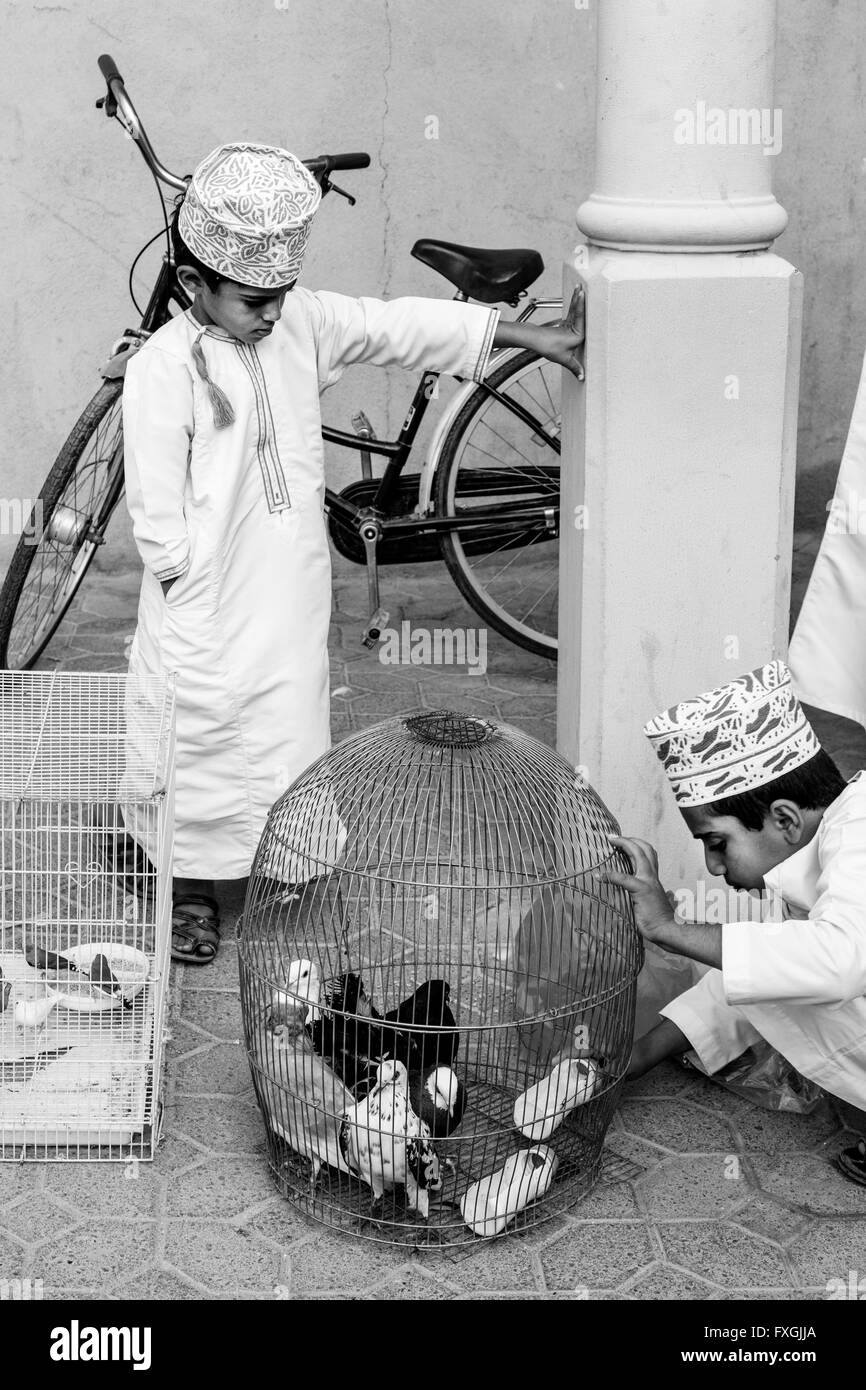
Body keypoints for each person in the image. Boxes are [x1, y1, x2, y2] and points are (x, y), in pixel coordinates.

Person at [122, 141, 585, 965]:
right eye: (253, 299)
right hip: (205, 594)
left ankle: (278, 862)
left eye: (281, 295)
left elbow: (394, 323)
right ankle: (187, 882)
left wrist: (530, 337)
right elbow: (156, 516)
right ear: (195, 285)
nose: (270, 313)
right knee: (191, 730)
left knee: (286, 720)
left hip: (289, 585)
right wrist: (187, 583)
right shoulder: (161, 369)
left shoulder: (298, 323)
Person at [604, 660, 866, 1186]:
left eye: (717, 843)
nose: (713, 869)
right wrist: (634, 1059)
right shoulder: (821, 844)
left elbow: (835, 962)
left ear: (785, 819)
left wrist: (668, 928)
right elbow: (761, 974)